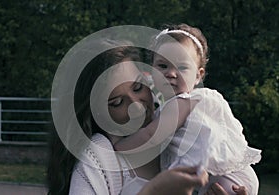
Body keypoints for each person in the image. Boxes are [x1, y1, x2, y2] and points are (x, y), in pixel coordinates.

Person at [47, 39, 209, 195]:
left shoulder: (180, 127)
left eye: (138, 87)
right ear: (96, 112)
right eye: (117, 102)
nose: (136, 107)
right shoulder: (99, 157)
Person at [113, 24, 261, 195]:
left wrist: (119, 147)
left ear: (198, 75)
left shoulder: (182, 103)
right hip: (226, 177)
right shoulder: (175, 103)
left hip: (228, 178)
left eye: (181, 67)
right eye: (162, 66)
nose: (170, 73)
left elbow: (150, 137)